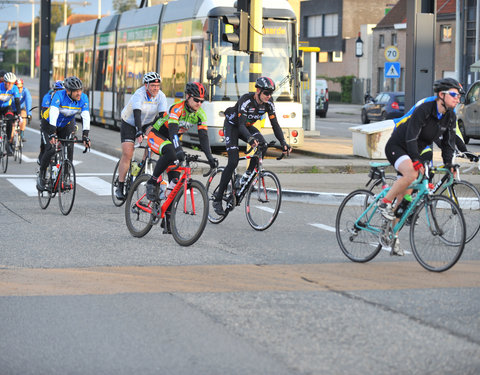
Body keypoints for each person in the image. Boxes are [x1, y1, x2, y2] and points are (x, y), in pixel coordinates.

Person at [378, 78, 462, 255]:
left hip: (414, 151)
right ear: (441, 95)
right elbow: (410, 137)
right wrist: (416, 160)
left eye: (459, 96)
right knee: (412, 174)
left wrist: (449, 164)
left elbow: (448, 143)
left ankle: (393, 237)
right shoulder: (424, 110)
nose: (458, 99)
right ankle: (384, 203)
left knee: (404, 202)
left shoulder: (450, 116)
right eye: (454, 95)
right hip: (398, 146)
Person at [212, 76, 291, 216]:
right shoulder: (246, 100)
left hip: (247, 127)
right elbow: (240, 125)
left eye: (270, 93)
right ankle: (218, 199)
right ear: (258, 91)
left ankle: (247, 175)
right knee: (233, 161)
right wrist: (249, 139)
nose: (269, 96)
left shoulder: (268, 103)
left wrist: (283, 142)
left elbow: (275, 124)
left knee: (263, 145)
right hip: (233, 126)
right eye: (266, 93)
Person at [145, 82, 217, 204]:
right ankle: (152, 181)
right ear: (188, 96)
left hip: (172, 141)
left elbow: (204, 138)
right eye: (196, 100)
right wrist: (178, 150)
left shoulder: (200, 115)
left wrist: (210, 157)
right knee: (170, 150)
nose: (199, 103)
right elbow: (173, 132)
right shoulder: (177, 108)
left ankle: (167, 219)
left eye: (201, 101)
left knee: (175, 184)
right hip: (157, 135)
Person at [115, 72, 168, 200]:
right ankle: (120, 185)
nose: (156, 88)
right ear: (146, 85)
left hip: (147, 123)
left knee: (153, 142)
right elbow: (137, 113)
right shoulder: (139, 94)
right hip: (130, 122)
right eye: (153, 85)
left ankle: (144, 164)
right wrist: (139, 132)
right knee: (128, 153)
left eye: (158, 85)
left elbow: (162, 117)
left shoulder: (161, 96)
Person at [37, 76, 91, 191]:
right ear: (68, 91)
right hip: (49, 123)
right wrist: (52, 133)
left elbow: (85, 116)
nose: (79, 93)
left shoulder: (83, 98)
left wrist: (85, 136)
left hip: (66, 124)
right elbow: (54, 112)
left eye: (80, 90)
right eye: (76, 91)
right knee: (51, 149)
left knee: (70, 147)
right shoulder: (59, 95)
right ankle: (42, 174)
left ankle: (65, 177)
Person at [0, 72, 23, 155]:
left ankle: (8, 142)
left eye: (12, 83)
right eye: (8, 83)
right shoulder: (0, 87)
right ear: (4, 82)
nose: (10, 85)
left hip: (7, 107)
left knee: (10, 119)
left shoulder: (14, 88)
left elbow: (17, 102)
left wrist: (19, 115)